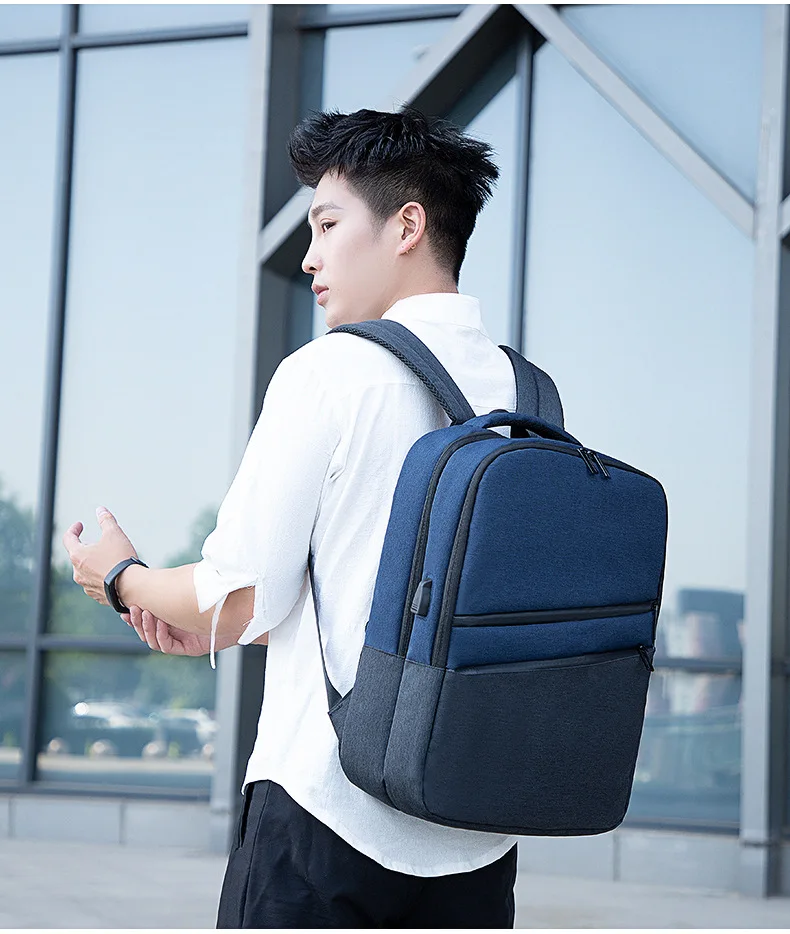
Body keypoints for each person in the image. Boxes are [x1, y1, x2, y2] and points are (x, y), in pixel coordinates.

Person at [63, 106, 520, 928]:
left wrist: (123, 578)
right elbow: (417, 608)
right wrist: (236, 628)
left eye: (328, 223)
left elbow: (236, 596)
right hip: (474, 838)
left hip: (325, 819)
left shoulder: (333, 372)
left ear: (407, 225)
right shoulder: (525, 393)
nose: (310, 256)